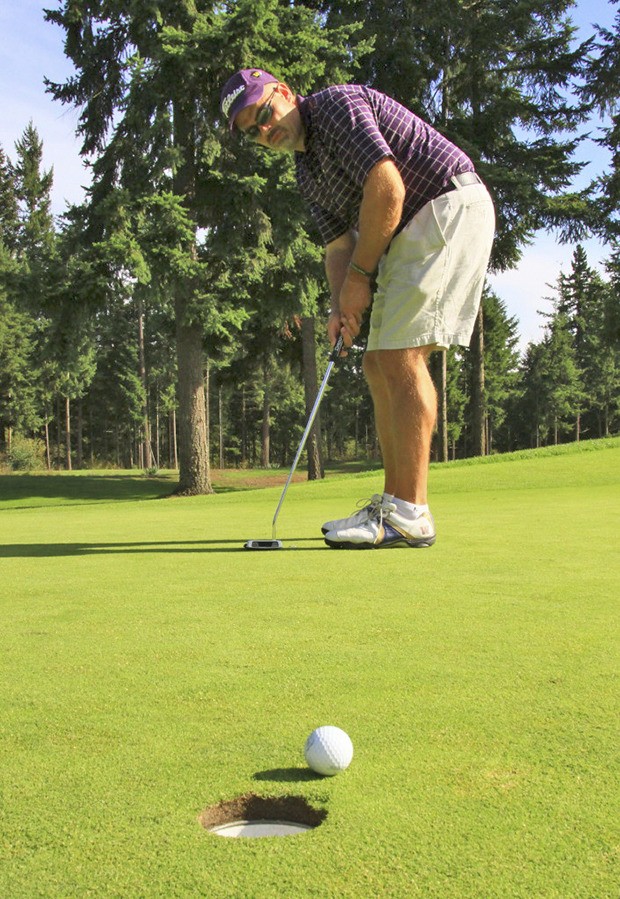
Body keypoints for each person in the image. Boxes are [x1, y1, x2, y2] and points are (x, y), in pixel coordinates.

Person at [220, 69, 495, 549]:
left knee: (401, 357)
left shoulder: (336, 107)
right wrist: (339, 306)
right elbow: (337, 247)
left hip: (444, 205)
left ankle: (410, 513)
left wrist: (361, 279)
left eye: (265, 113)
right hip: (410, 232)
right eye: (253, 131)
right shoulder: (307, 173)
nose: (266, 131)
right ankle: (397, 504)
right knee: (375, 361)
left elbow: (387, 187)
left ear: (284, 93)